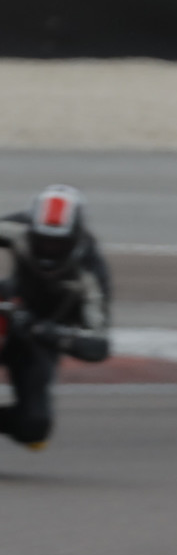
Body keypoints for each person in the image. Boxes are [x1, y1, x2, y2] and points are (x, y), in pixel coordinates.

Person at [0, 186, 112, 449]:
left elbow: (98, 345)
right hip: (8, 306)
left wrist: (45, 332)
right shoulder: (18, 228)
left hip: (39, 339)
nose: (48, 250)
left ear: (76, 237)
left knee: (34, 427)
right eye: (42, 240)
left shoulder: (90, 271)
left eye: (58, 243)